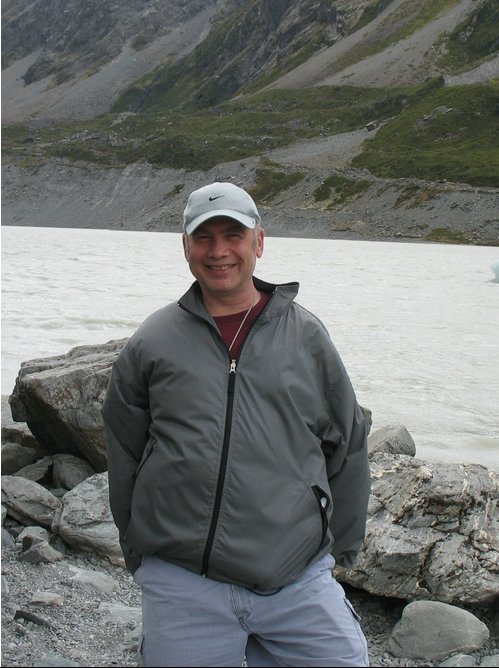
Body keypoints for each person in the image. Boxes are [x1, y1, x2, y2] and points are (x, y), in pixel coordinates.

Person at [102, 181, 371, 667]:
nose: (219, 251)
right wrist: (139, 551)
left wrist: (339, 553)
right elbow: (123, 450)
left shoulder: (307, 337)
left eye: (234, 235)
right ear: (186, 247)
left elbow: (347, 445)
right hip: (184, 583)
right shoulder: (154, 341)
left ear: (259, 242)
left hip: (296, 578)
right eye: (204, 237)